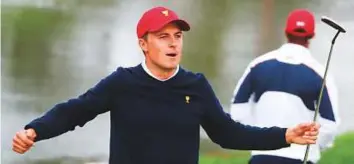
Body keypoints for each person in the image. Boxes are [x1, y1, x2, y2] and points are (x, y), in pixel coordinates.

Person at [12, 6, 320, 164]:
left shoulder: (195, 86)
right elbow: (75, 111)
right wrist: (36, 130)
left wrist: (285, 135)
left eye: (178, 36)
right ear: (143, 44)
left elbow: (227, 133)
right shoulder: (122, 83)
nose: (173, 44)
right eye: (163, 37)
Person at [230, 9, 339, 164]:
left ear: (286, 32)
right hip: (301, 158)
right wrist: (314, 146)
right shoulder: (321, 73)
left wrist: (256, 138)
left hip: (260, 157)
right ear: (312, 35)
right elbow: (329, 127)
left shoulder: (257, 65)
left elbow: (238, 112)